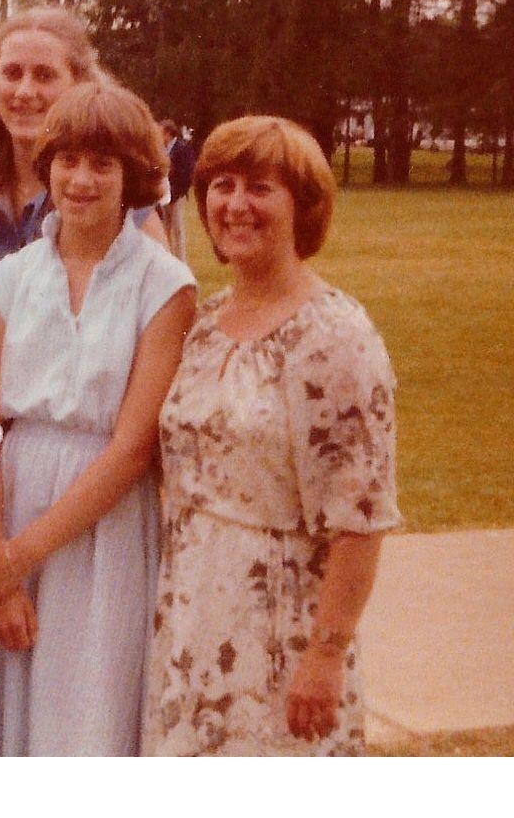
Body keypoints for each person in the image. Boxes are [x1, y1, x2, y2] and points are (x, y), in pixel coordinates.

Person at [143, 115, 401, 756]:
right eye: (221, 186)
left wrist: (326, 652)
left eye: (260, 187)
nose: (235, 205)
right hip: (190, 614)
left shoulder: (335, 337)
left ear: (304, 205)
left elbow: (361, 518)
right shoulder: (203, 325)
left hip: (281, 631)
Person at [0, 82, 196, 755]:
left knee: (89, 712)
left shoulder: (164, 284)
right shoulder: (8, 278)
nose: (80, 178)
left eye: (102, 163)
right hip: (5, 501)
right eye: (66, 160)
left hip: (103, 522)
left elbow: (131, 448)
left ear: (133, 176)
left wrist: (22, 555)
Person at [0, 4, 167, 261]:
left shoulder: (120, 201)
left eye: (44, 76)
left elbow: (166, 293)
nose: (24, 91)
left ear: (80, 84)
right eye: (12, 73)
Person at [159, 118, 196, 261]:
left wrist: (175, 195)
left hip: (176, 195)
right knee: (165, 228)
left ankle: (181, 260)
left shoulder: (181, 148)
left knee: (177, 229)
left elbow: (186, 174)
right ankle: (167, 258)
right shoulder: (162, 149)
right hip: (163, 194)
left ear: (168, 133)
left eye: (161, 132)